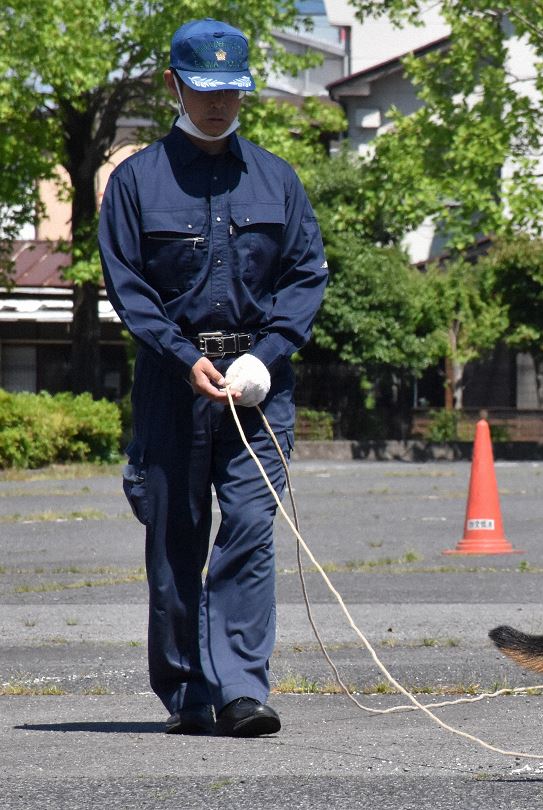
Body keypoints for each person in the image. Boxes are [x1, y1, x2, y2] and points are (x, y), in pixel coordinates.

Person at [98, 19, 329, 736]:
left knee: (252, 530)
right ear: (174, 85)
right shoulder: (136, 184)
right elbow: (127, 285)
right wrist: (178, 352)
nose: (219, 104)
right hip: (172, 382)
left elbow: (306, 275)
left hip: (259, 385)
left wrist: (267, 354)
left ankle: (240, 690)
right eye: (204, 90)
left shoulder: (275, 177)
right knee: (178, 536)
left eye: (231, 91)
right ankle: (188, 688)